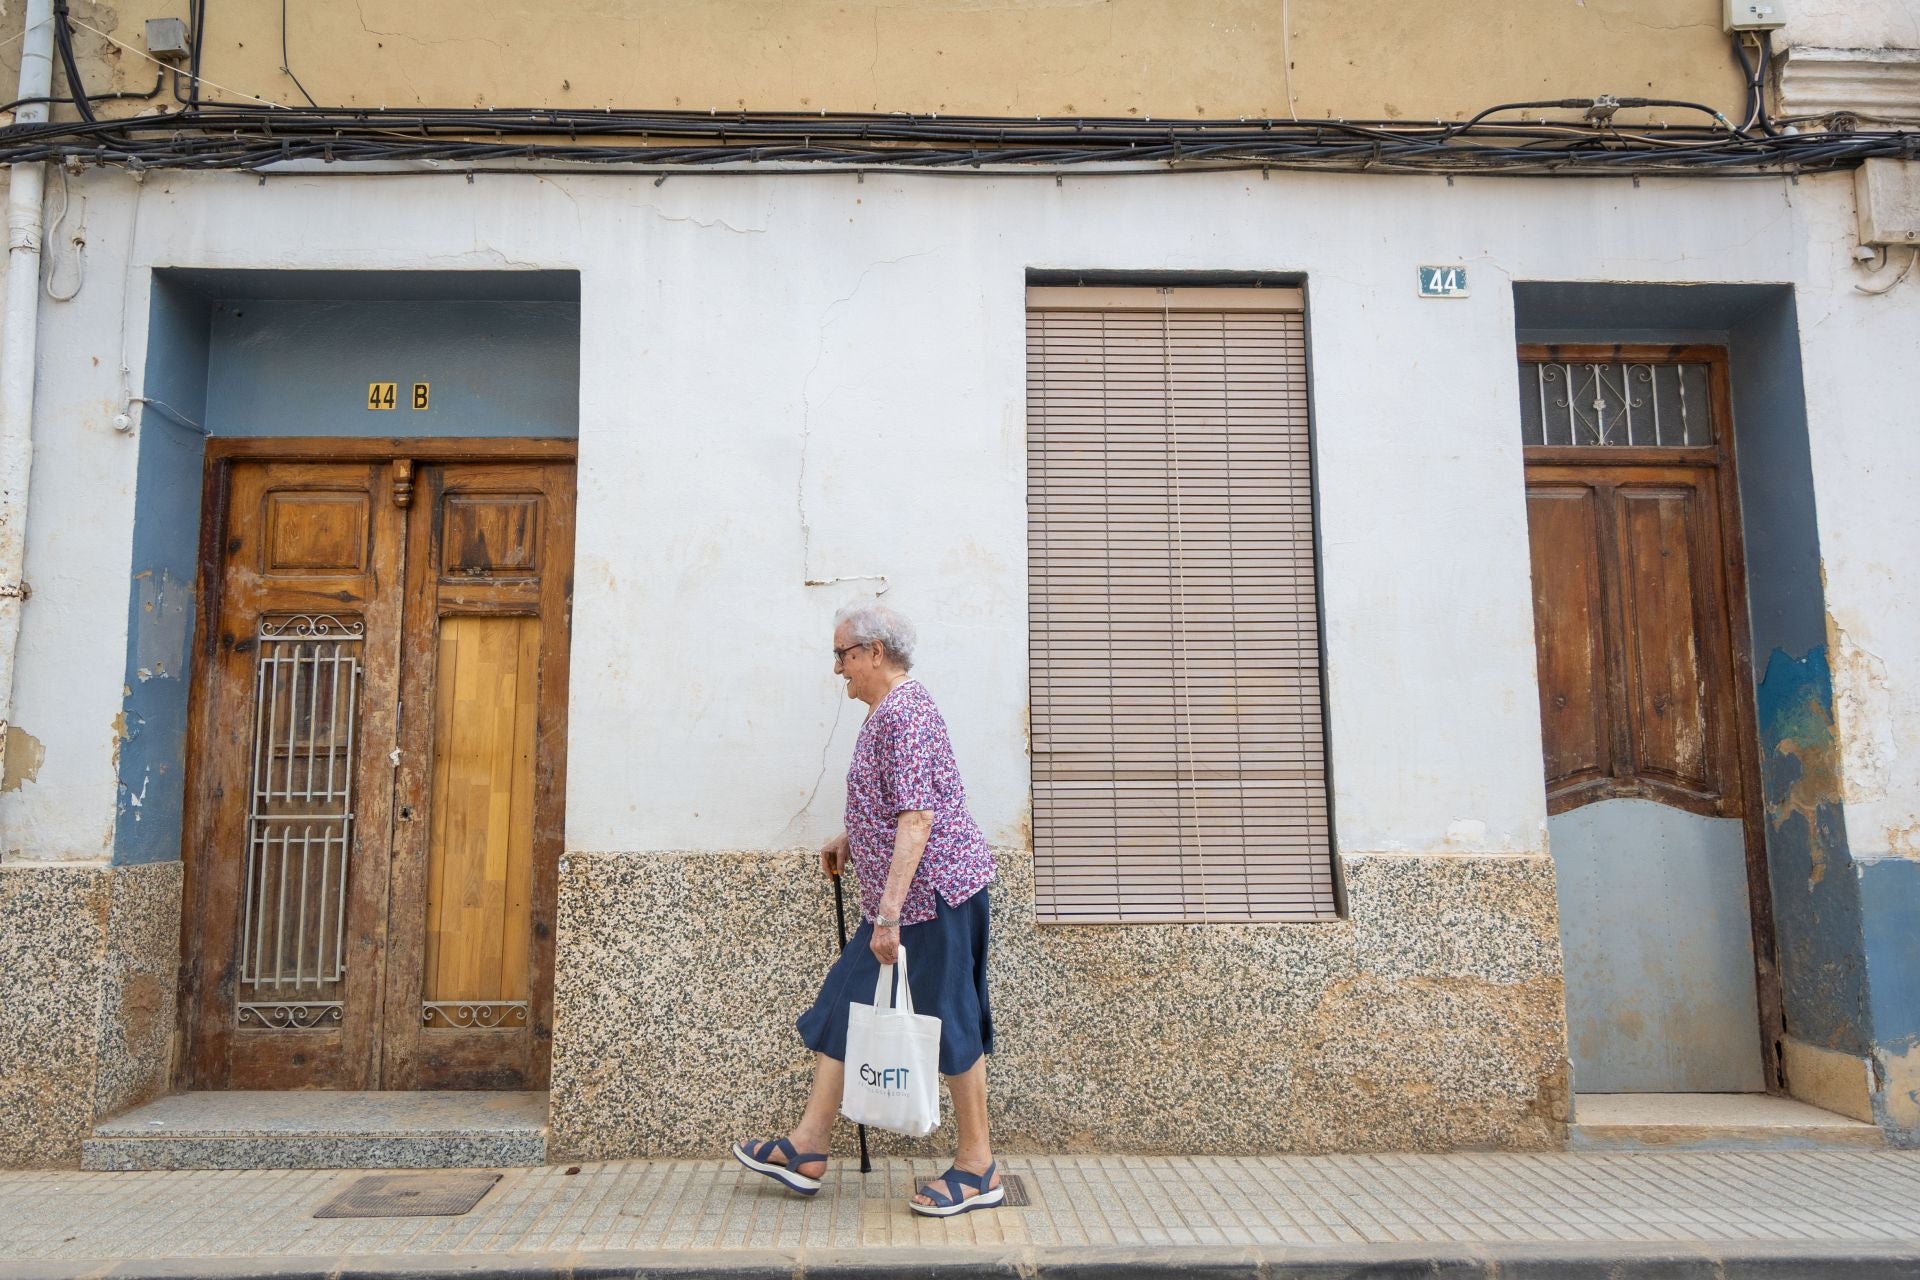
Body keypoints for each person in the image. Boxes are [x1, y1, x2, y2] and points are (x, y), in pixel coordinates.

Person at [732, 602, 1002, 1217]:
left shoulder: (903, 715)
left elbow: (917, 818)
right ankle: (807, 1147)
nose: (838, 670)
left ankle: (979, 1165)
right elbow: (898, 803)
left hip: (929, 900)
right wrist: (853, 837)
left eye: (842, 656)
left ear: (874, 652)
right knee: (844, 1007)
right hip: (905, 897)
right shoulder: (892, 713)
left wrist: (888, 917)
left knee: (949, 1020)